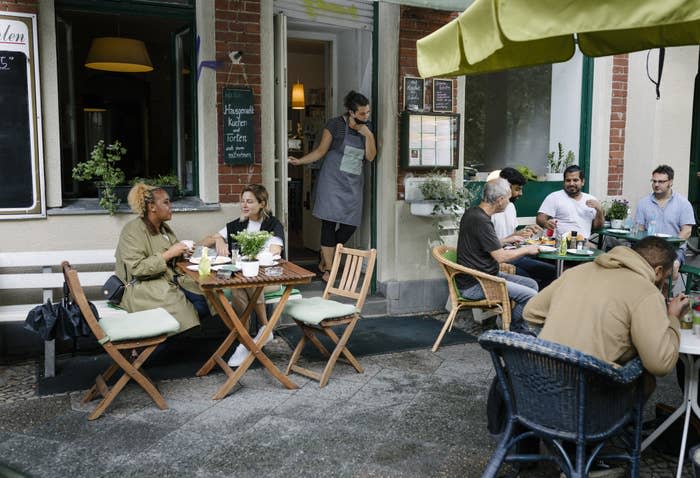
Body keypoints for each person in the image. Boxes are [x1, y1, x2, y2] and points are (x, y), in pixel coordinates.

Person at [524, 236, 685, 376]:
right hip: (591, 389)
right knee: (646, 378)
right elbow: (660, 365)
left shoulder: (577, 271)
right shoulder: (647, 291)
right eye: (666, 277)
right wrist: (673, 318)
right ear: (658, 271)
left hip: (541, 377)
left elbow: (531, 312)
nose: (664, 283)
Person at [288, 90, 377, 282]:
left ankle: (325, 252)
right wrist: (300, 161)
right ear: (351, 112)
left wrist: (368, 135)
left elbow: (370, 157)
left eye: (367, 112)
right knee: (328, 223)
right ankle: (328, 269)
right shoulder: (335, 125)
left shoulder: (367, 129)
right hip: (332, 183)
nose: (366, 116)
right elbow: (320, 151)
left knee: (350, 226)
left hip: (353, 185)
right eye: (362, 113)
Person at [200, 184, 284, 367]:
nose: (244, 205)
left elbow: (275, 251)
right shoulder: (236, 225)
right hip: (244, 280)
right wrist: (217, 239)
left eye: (250, 201)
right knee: (239, 285)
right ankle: (253, 336)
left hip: (271, 278)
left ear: (262, 203)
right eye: (243, 201)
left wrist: (255, 258)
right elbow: (203, 242)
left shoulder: (272, 224)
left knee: (244, 279)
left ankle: (250, 336)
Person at [115, 183, 208, 334]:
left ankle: (176, 340)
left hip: (169, 280)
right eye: (166, 202)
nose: (171, 206)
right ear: (152, 206)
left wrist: (182, 254)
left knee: (206, 300)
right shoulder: (132, 230)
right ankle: (147, 351)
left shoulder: (163, 227)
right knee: (185, 312)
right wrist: (169, 253)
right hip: (142, 288)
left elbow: (170, 256)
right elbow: (137, 268)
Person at [457, 178, 540, 335]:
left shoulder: (473, 213)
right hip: (476, 284)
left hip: (484, 276)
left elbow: (484, 245)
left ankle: (513, 326)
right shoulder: (481, 221)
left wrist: (508, 239)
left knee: (531, 284)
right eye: (508, 198)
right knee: (531, 295)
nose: (509, 202)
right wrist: (528, 249)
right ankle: (517, 331)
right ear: (500, 200)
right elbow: (501, 257)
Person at [491, 167, 556, 289]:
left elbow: (512, 235)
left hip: (513, 254)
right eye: (517, 189)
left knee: (553, 271)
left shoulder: (511, 207)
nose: (521, 193)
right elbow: (493, 245)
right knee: (534, 279)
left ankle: (537, 303)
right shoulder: (492, 210)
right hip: (502, 260)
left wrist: (525, 231)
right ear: (505, 188)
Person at [635, 165, 695, 270]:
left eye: (661, 182)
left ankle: (664, 287)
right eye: (654, 181)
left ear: (670, 182)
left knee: (672, 267)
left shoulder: (683, 203)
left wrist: (668, 248)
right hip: (649, 248)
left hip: (674, 249)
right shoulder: (643, 203)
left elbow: (686, 231)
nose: (656, 185)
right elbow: (640, 228)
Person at [536, 165, 605, 240]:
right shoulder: (554, 197)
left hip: (583, 242)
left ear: (582, 182)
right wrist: (546, 223)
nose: (571, 183)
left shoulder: (591, 199)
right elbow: (540, 218)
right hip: (560, 242)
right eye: (568, 180)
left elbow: (597, 227)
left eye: (575, 180)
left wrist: (599, 210)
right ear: (564, 182)